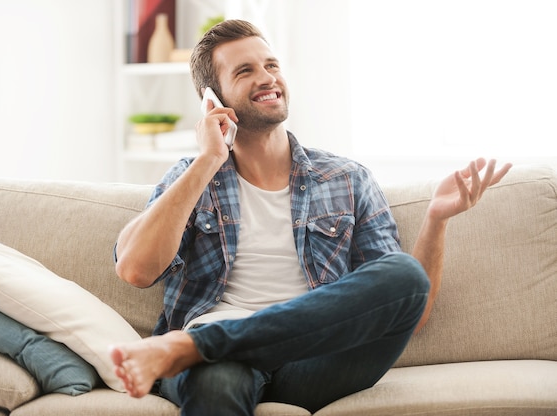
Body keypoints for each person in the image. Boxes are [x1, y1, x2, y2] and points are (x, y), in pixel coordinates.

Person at [110, 19, 511, 415]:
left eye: (271, 65)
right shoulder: (192, 177)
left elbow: (403, 307)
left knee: (404, 274)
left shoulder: (347, 179)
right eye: (245, 71)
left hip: (315, 357)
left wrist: (436, 221)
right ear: (211, 99)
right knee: (215, 381)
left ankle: (194, 346)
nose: (267, 78)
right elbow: (135, 270)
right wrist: (209, 159)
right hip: (220, 365)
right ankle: (202, 348)